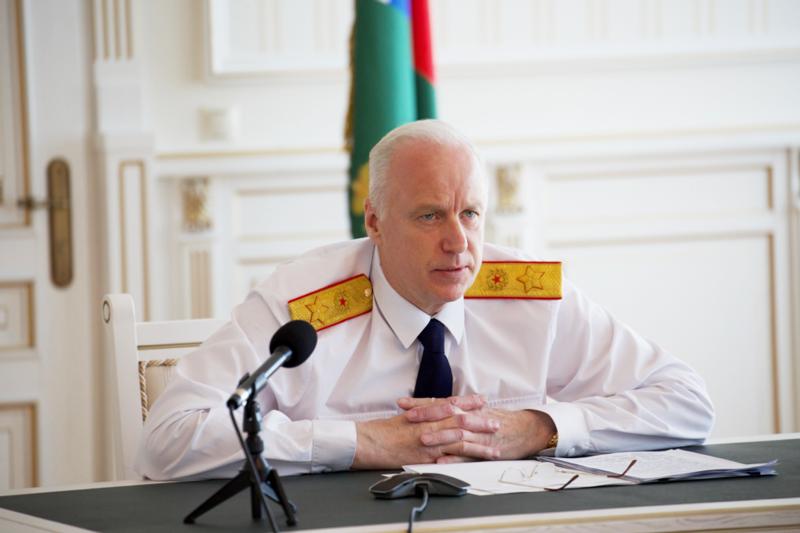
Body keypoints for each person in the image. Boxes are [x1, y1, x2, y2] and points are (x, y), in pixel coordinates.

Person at [136, 120, 714, 480]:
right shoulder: (302, 307)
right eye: (430, 216)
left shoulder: (530, 298)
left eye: (471, 214)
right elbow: (168, 438)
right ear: (375, 221)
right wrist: (363, 442)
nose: (459, 243)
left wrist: (540, 428)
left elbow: (687, 402)